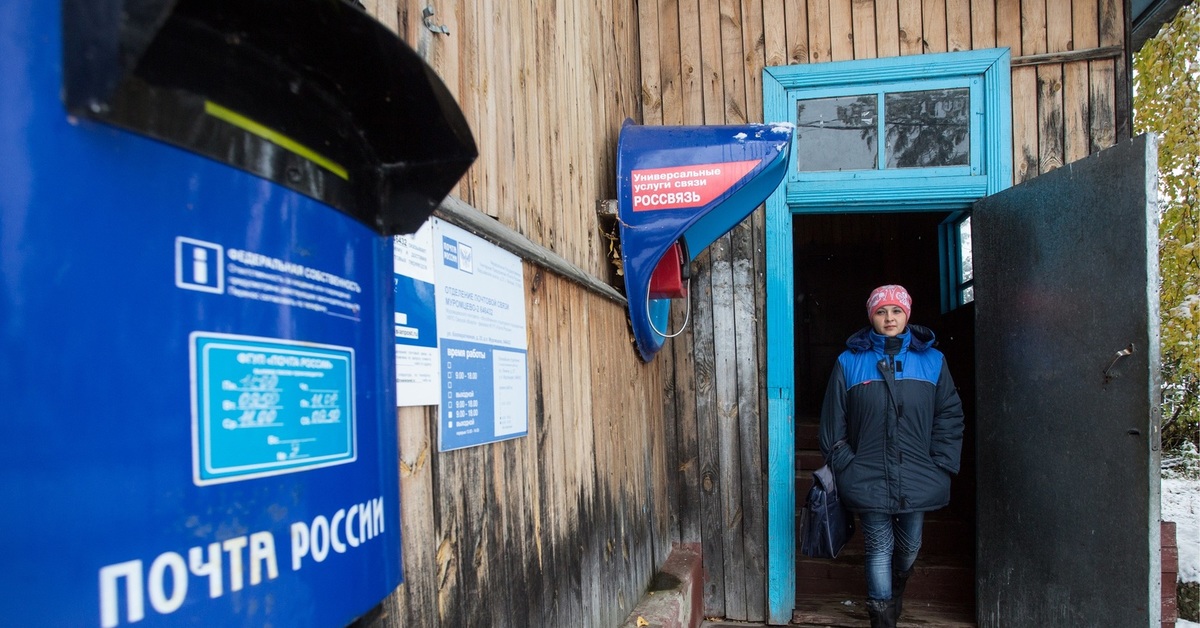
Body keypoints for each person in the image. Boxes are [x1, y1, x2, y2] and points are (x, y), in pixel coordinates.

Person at [818, 285, 964, 628]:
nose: (889, 318)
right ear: (872, 317)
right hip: (867, 473)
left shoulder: (933, 361)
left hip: (918, 473)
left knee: (910, 546)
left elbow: (949, 415)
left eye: (896, 311)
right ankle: (882, 618)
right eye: (881, 312)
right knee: (878, 547)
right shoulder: (849, 362)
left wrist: (941, 463)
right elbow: (831, 424)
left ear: (907, 315)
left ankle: (898, 587)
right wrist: (847, 465)